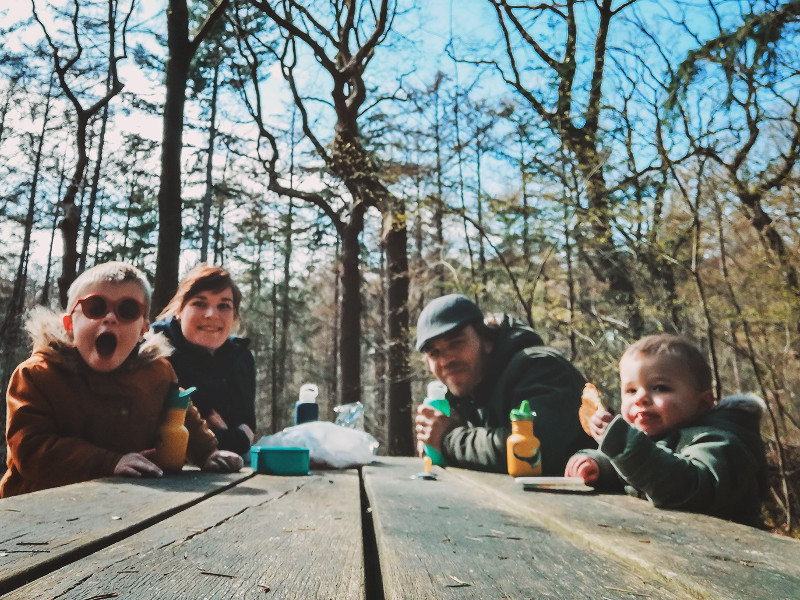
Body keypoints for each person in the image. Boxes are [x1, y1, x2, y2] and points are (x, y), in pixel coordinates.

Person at [0, 262, 242, 498]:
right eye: (95, 307)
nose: (110, 318)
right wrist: (109, 462)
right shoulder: (37, 374)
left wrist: (207, 452)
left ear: (143, 330)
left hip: (125, 502)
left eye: (127, 310)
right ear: (69, 324)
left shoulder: (157, 372)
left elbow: (180, 412)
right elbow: (30, 448)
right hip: (38, 504)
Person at [565, 334, 768, 526]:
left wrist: (623, 446)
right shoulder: (655, 440)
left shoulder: (720, 442)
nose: (640, 398)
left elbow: (685, 486)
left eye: (660, 388)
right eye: (631, 390)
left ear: (703, 403)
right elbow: (637, 475)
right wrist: (598, 465)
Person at [414, 294, 592, 474]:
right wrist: (434, 438)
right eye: (434, 353)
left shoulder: (540, 367)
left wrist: (449, 440)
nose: (445, 361)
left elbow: (533, 450)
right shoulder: (463, 393)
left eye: (456, 344)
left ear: (486, 340)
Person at [152, 264, 256, 457]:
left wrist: (233, 436)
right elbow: (167, 436)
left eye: (223, 306)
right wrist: (232, 437)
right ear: (179, 311)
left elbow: (248, 428)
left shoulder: (240, 356)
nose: (211, 314)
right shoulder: (154, 350)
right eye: (200, 303)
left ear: (234, 316)